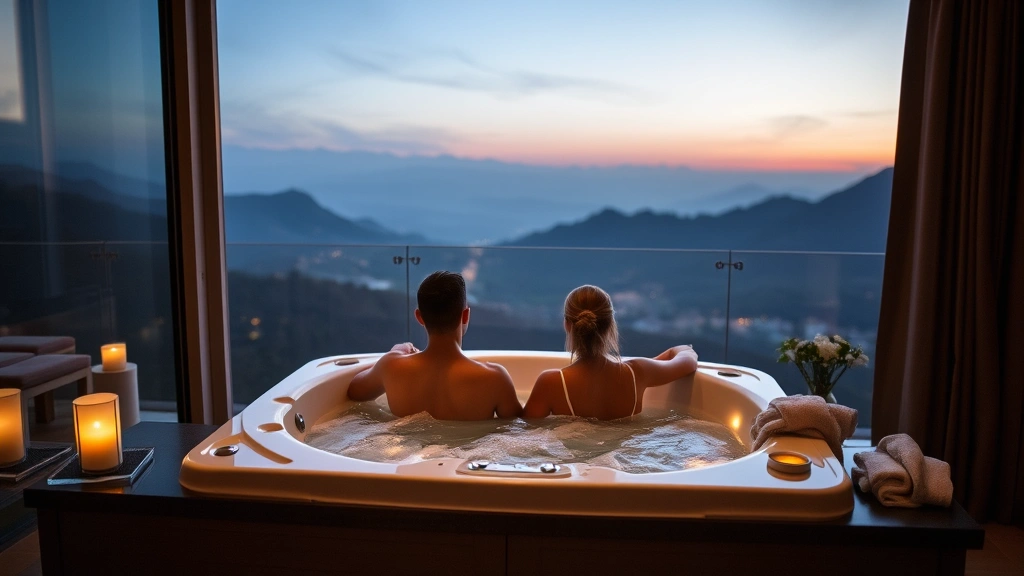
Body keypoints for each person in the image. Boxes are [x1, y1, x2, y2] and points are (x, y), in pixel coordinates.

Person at [347, 270, 522, 420]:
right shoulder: (494, 378)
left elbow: (355, 391)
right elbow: (520, 429)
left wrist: (397, 351)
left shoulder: (391, 367)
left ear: (419, 317)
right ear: (466, 315)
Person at [522, 285, 698, 419]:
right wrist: (677, 350)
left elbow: (523, 432)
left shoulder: (551, 382)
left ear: (567, 325)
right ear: (610, 325)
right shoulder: (638, 372)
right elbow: (689, 360)